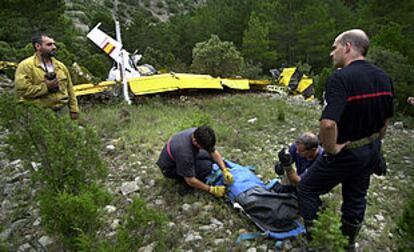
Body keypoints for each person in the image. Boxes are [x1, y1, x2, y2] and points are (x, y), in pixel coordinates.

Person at [297, 29, 394, 251]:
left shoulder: (340, 78)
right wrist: (376, 141)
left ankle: (316, 241)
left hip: (346, 151)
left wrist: (330, 149)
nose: (332, 53)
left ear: (348, 47)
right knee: (356, 197)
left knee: (307, 189)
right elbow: (387, 118)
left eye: (335, 47)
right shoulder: (383, 76)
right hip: (371, 149)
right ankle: (347, 243)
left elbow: (328, 123)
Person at [156, 126, 233, 197]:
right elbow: (190, 180)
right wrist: (211, 189)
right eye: (203, 147)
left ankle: (189, 169)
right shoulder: (185, 153)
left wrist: (224, 170)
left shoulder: (198, 133)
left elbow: (213, 152)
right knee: (206, 166)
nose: (206, 148)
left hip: (178, 156)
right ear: (195, 141)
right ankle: (183, 182)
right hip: (169, 168)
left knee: (209, 155)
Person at [14, 33, 79, 119]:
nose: (54, 47)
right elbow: (22, 91)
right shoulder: (26, 66)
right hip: (38, 113)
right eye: (49, 44)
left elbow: (70, 89)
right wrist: (46, 87)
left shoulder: (60, 66)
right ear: (38, 46)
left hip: (62, 111)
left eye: (54, 44)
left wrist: (74, 109)